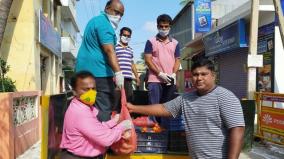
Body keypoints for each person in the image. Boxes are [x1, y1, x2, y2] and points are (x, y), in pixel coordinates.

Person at [127, 58, 245, 159]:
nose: (199, 78)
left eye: (204, 74)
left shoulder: (225, 97)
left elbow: (237, 130)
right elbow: (163, 108)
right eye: (195, 74)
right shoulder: (186, 98)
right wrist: (134, 108)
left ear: (213, 76)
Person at [60, 71, 132, 159]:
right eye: (86, 89)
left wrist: (113, 122)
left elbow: (95, 128)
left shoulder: (83, 106)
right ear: (74, 91)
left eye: (93, 89)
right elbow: (106, 139)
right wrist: (122, 127)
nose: (91, 93)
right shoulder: (81, 112)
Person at [75, 0, 125, 121]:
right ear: (107, 8)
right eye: (116, 12)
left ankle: (87, 137)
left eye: (121, 15)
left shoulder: (94, 21)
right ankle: (101, 136)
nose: (118, 17)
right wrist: (118, 72)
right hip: (99, 75)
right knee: (102, 109)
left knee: (87, 108)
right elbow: (109, 50)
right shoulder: (104, 25)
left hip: (83, 75)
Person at [144, 14, 180, 108]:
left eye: (166, 26)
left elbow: (177, 60)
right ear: (157, 27)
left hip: (170, 80)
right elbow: (148, 60)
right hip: (155, 80)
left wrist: (174, 74)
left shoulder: (175, 43)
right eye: (161, 26)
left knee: (168, 108)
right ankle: (153, 123)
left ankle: (165, 123)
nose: (164, 29)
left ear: (170, 27)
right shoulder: (150, 41)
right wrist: (160, 74)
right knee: (154, 107)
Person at [115, 27, 140, 103]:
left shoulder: (130, 49)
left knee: (128, 99)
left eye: (128, 36)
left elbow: (132, 64)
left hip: (129, 79)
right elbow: (112, 61)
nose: (126, 37)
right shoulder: (115, 47)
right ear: (120, 35)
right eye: (124, 35)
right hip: (118, 78)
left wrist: (137, 77)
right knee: (116, 99)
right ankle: (115, 114)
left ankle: (127, 114)